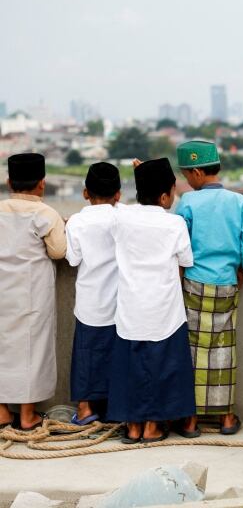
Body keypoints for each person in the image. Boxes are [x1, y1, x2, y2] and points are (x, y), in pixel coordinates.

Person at [107, 157, 196, 444]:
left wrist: (141, 173)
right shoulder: (175, 224)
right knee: (164, 367)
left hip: (130, 308)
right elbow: (185, 259)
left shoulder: (121, 217)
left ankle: (133, 426)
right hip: (164, 309)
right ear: (164, 195)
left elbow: (122, 208)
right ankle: (154, 426)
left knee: (130, 368)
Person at [174, 140, 243, 437]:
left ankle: (191, 420)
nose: (186, 180)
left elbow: (179, 245)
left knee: (194, 348)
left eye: (186, 175)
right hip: (227, 282)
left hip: (195, 282)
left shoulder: (187, 203)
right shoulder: (237, 202)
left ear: (197, 172)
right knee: (225, 347)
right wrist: (242, 271)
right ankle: (226, 417)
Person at [0, 153, 66, 431]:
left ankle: (2, 412)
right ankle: (27, 416)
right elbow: (59, 251)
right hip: (32, 294)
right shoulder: (46, 214)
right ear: (41, 184)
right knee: (31, 350)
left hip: (3, 290)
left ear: (8, 182)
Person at [65, 162, 123, 425]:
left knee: (86, 354)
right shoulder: (123, 217)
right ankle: (115, 409)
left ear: (85, 192)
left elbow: (73, 259)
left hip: (89, 300)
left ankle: (85, 408)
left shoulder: (77, 221)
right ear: (119, 194)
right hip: (120, 301)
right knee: (117, 355)